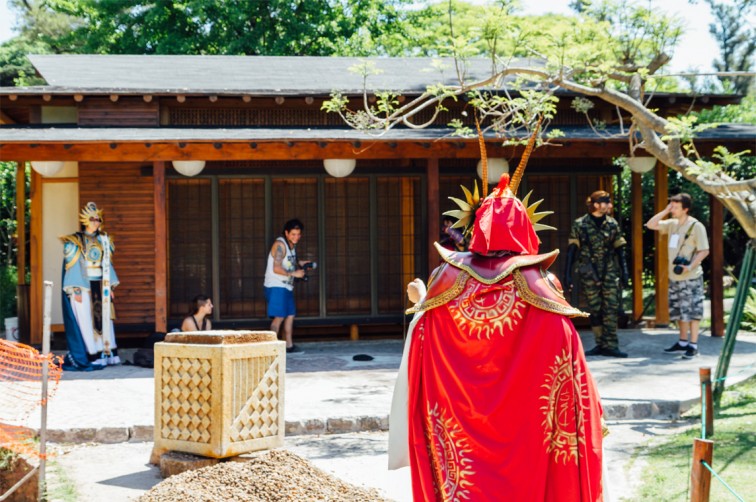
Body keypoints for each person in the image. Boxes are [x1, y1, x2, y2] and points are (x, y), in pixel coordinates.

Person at [389, 174, 605, 501]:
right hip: (529, 433)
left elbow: (426, 336)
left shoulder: (445, 280)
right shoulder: (542, 284)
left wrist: (421, 304)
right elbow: (567, 360)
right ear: (524, 227)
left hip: (461, 427)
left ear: (477, 226)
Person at [564, 190, 630, 358]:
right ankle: (600, 343)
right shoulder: (580, 224)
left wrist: (625, 272)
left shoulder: (612, 224)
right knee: (595, 309)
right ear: (595, 204)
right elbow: (572, 250)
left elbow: (620, 250)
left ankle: (611, 345)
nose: (609, 205)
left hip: (609, 272)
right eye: (606, 202)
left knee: (611, 308)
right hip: (589, 272)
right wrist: (567, 274)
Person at [646, 193, 710, 359]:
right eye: (671, 206)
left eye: (676, 207)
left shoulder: (697, 226)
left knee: (693, 311)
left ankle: (693, 344)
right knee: (679, 311)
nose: (673, 209)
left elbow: (704, 250)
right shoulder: (672, 224)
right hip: (675, 277)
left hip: (691, 277)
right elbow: (651, 224)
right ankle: (682, 342)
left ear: (686, 209)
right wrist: (666, 210)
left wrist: (690, 266)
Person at [60, 202, 120, 371]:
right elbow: (73, 267)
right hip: (83, 287)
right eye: (93, 219)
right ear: (85, 220)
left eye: (98, 219)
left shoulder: (104, 240)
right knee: (87, 322)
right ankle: (92, 355)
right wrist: (76, 289)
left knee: (104, 322)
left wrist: (111, 287)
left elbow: (107, 264)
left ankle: (107, 354)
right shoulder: (75, 241)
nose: (96, 222)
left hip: (102, 286)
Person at [264, 219, 313, 353]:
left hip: (286, 286)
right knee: (278, 317)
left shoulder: (292, 245)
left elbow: (290, 261)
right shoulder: (280, 244)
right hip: (276, 285)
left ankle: (289, 346)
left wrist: (301, 264)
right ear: (286, 233)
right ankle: (271, 348)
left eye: (298, 234)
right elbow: (276, 268)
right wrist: (295, 273)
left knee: (290, 314)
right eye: (293, 234)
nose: (296, 237)